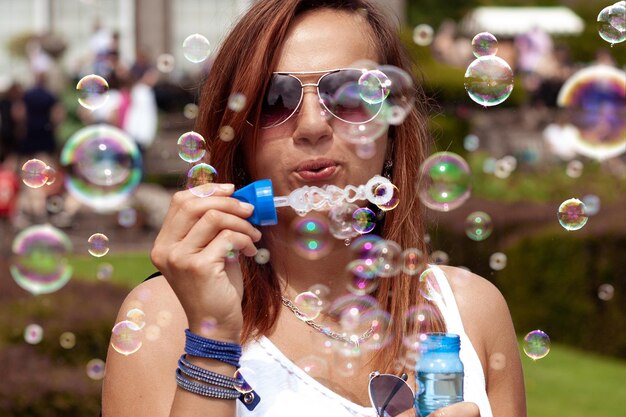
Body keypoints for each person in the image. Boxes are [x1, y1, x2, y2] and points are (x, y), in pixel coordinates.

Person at [102, 1, 526, 417]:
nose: (311, 126)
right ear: (237, 137)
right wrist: (212, 342)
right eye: (273, 99)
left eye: (348, 94)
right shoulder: (166, 317)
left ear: (392, 129)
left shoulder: (469, 312)